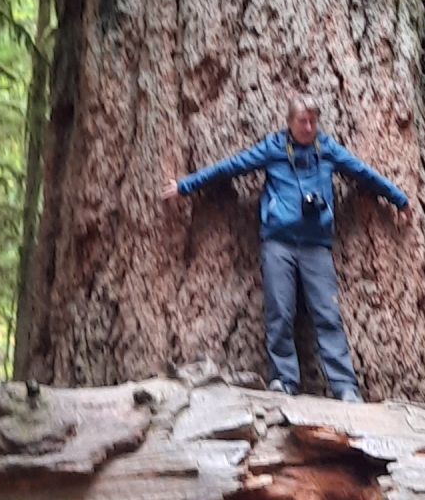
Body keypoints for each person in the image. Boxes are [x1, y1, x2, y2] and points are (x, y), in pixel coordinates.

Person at [162, 94, 412, 401]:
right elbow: (231, 167)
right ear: (290, 123)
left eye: (312, 121)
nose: (308, 127)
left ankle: (345, 387)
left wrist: (399, 198)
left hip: (316, 247)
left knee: (328, 315)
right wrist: (185, 186)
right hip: (278, 244)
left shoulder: (327, 150)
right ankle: (284, 380)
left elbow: (363, 173)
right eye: (302, 121)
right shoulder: (274, 149)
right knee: (280, 313)